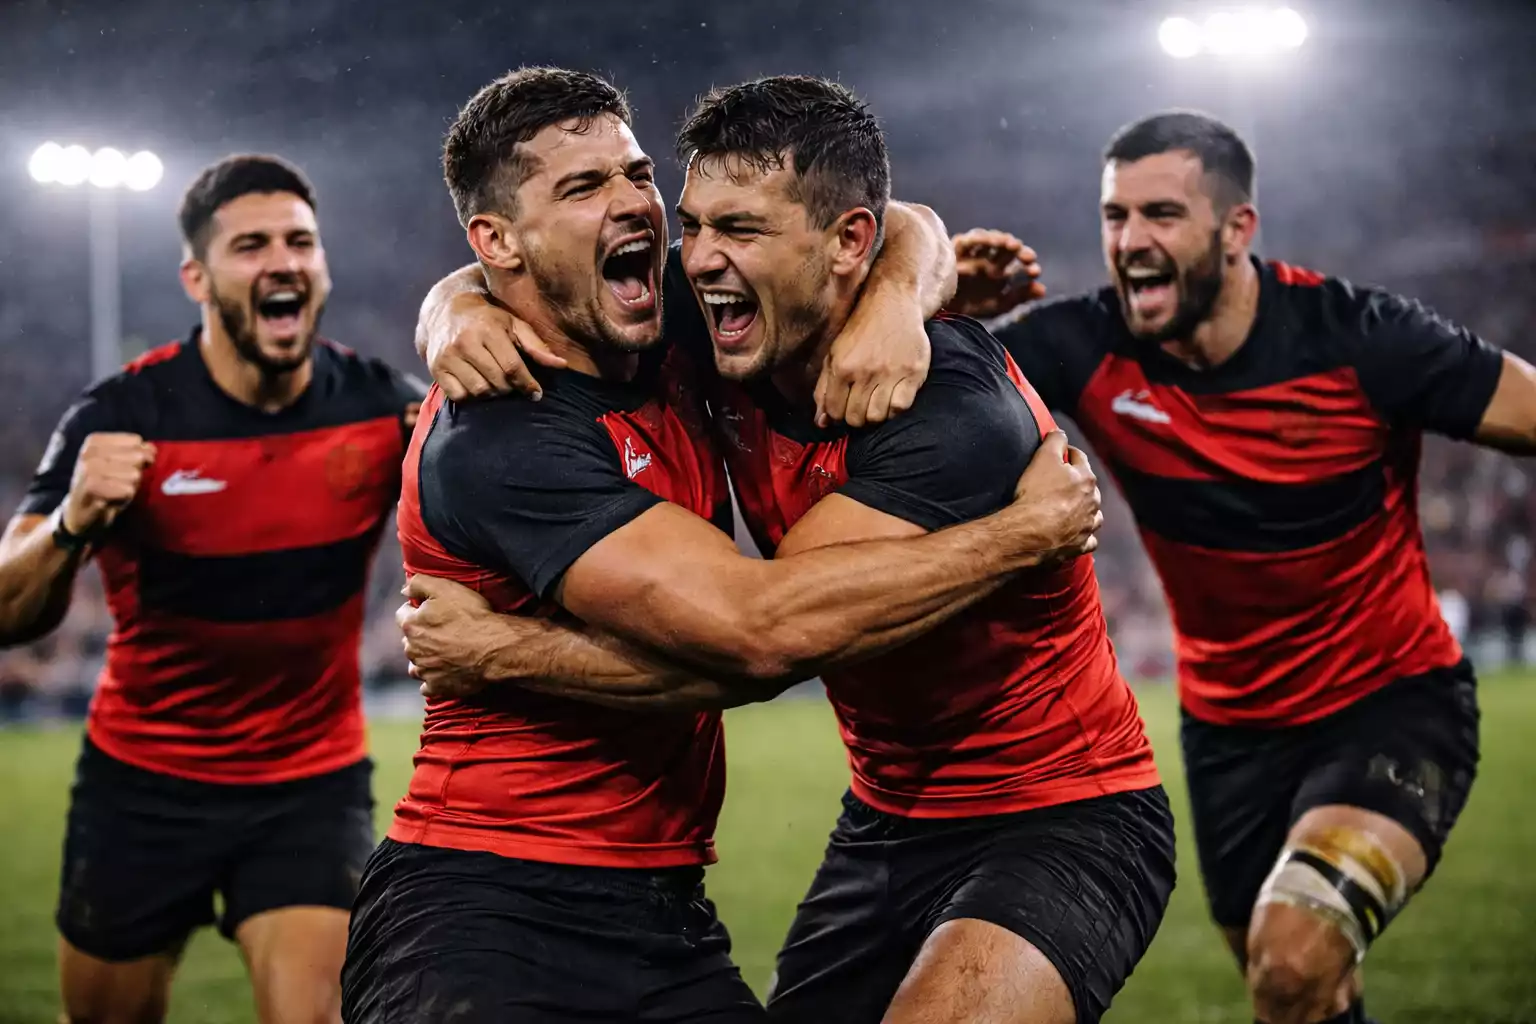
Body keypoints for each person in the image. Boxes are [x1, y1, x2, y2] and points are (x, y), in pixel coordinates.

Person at [402, 75, 1173, 1024]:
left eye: (742, 230)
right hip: (871, 825)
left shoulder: (948, 407)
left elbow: (768, 632)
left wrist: (505, 651)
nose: (703, 259)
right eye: (697, 225)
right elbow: (754, 626)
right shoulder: (702, 335)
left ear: (846, 243)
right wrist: (454, 311)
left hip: (1059, 811)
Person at [949, 110, 1536, 1024]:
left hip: (1390, 704)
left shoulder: (1360, 337)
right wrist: (945, 310)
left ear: (1236, 230)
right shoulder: (1083, 345)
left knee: (1294, 956)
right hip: (1231, 737)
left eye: (1162, 214)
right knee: (1303, 996)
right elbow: (914, 402)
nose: (1131, 241)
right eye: (1115, 217)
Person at [0, 155, 425, 1024]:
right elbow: (8, 612)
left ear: (323, 269)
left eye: (301, 242)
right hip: (142, 784)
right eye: (251, 245)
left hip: (309, 784)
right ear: (197, 276)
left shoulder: (384, 410)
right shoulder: (120, 415)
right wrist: (75, 520)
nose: (283, 261)